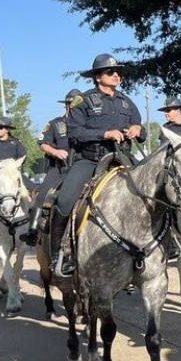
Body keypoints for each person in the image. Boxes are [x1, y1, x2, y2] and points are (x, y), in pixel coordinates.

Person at [50, 54, 143, 276]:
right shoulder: (84, 101)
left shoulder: (126, 101)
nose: (116, 75)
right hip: (90, 160)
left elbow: (139, 126)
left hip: (122, 159)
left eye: (118, 72)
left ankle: (163, 245)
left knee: (153, 187)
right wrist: (104, 133)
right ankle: (60, 254)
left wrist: (138, 130)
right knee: (64, 200)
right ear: (98, 76)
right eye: (111, 72)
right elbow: (74, 133)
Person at [22, 89, 81, 246]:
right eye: (71, 105)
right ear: (67, 106)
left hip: (80, 168)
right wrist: (55, 151)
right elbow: (42, 144)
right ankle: (33, 231)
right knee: (42, 194)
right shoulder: (55, 124)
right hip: (59, 169)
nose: (74, 108)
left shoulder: (86, 126)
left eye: (78, 106)